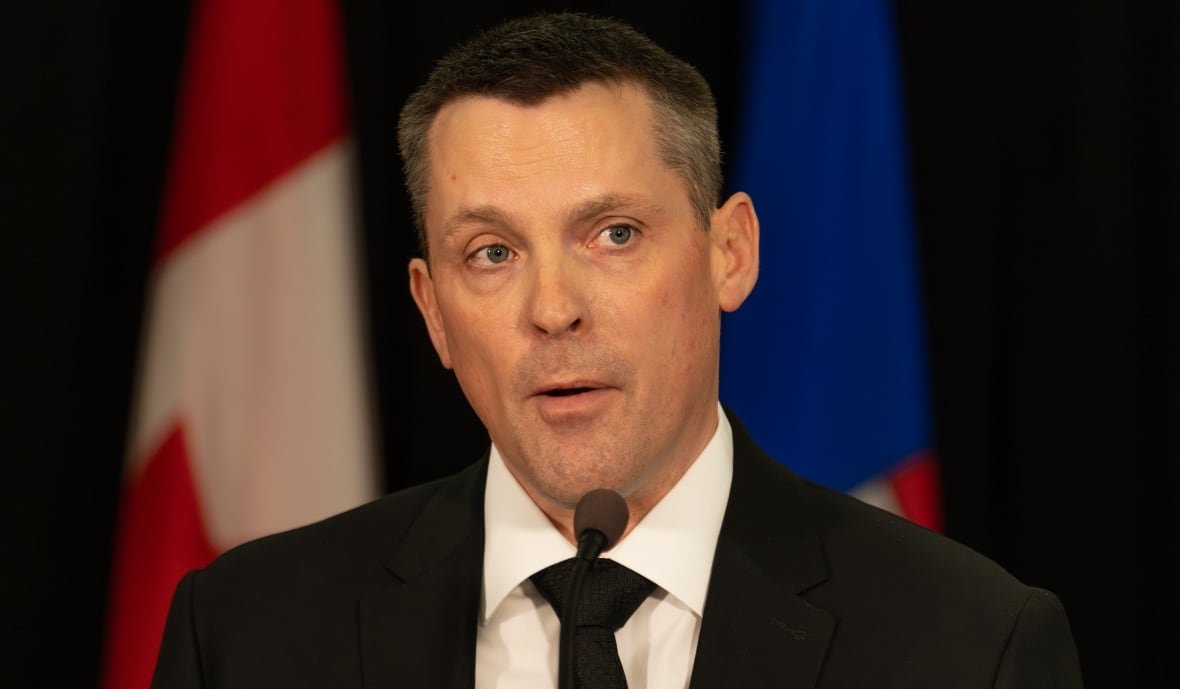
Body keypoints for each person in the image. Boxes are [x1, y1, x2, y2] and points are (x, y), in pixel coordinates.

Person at [151, 12, 1083, 689]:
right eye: (492, 253)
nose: (553, 308)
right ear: (432, 311)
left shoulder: (968, 647)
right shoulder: (247, 636)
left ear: (731, 254)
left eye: (614, 234)